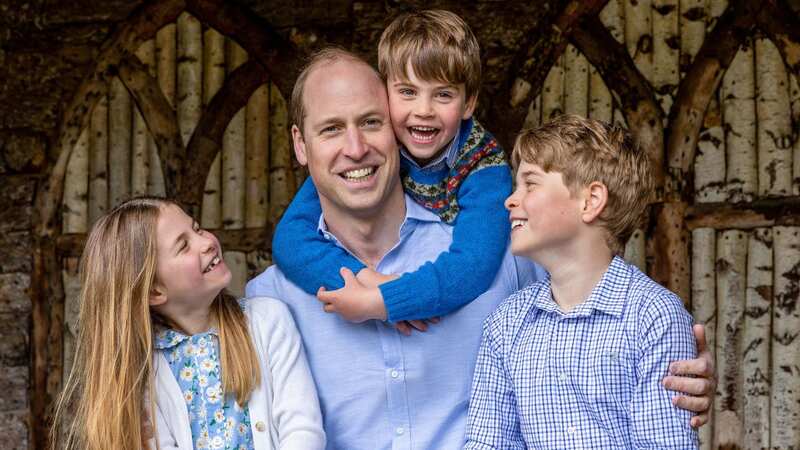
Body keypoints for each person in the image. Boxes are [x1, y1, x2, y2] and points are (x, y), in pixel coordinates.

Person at [245, 49, 714, 450]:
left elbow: (595, 318)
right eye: (330, 129)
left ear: (399, 129)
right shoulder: (269, 304)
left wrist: (670, 374)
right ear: (300, 145)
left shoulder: (502, 256)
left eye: (371, 122)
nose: (355, 147)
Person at [466, 115, 699, 448]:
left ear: (590, 201)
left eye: (530, 184)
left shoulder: (653, 316)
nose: (510, 200)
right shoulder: (507, 323)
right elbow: (487, 442)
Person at [271, 10, 510, 328]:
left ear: (468, 104)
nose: (423, 111)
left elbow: (474, 265)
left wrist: (388, 301)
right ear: (384, 94)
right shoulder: (380, 146)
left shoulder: (485, 166)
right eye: (408, 92)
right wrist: (366, 280)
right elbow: (290, 240)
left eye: (443, 95)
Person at [50, 197, 324, 450]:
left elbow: (302, 428)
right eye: (183, 246)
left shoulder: (267, 321)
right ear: (155, 291)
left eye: (198, 229)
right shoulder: (144, 374)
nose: (206, 242)